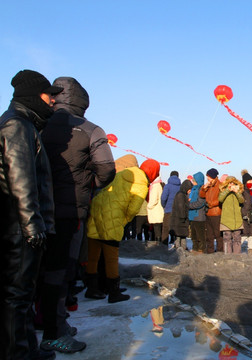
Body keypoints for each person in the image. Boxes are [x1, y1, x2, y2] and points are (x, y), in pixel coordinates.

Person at [40, 76, 116, 353]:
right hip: (69, 209)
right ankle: (54, 331)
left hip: (33, 210)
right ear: (83, 101)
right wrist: (87, 184)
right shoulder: (90, 129)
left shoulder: (37, 123)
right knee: (61, 271)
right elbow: (107, 169)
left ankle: (46, 321)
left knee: (37, 270)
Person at [0, 70, 61, 359]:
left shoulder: (22, 124)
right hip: (19, 226)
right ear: (34, 95)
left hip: (19, 224)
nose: (52, 102)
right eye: (49, 96)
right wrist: (32, 225)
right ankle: (17, 353)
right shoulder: (17, 125)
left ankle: (26, 348)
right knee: (17, 296)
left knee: (23, 295)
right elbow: (20, 178)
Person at [85, 159, 160, 303]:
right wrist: (122, 221)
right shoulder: (142, 183)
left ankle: (92, 289)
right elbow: (133, 209)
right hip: (112, 216)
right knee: (111, 257)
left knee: (93, 254)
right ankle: (114, 292)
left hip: (97, 208)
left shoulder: (125, 173)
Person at [218, 176, 244, 254]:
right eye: (230, 183)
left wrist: (237, 192)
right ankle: (227, 256)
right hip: (226, 221)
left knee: (237, 240)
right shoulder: (223, 191)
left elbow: (241, 200)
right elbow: (220, 199)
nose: (232, 184)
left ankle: (237, 256)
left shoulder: (238, 192)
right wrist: (227, 190)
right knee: (227, 240)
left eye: (233, 183)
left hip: (237, 220)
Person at [200, 168, 223, 253]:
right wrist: (204, 188)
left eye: (208, 177)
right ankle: (210, 250)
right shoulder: (208, 185)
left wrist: (211, 204)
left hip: (216, 212)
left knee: (218, 234)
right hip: (208, 213)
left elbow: (221, 199)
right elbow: (201, 195)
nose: (207, 178)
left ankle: (220, 251)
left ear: (213, 177)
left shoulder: (220, 185)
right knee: (209, 234)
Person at [170, 180, 194, 251]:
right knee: (180, 236)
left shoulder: (181, 194)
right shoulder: (181, 195)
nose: (190, 191)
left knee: (180, 235)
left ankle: (180, 249)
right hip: (180, 220)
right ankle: (180, 250)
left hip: (178, 219)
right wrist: (183, 217)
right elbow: (181, 207)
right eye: (189, 189)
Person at [161, 170, 181, 246]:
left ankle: (164, 245)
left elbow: (163, 198)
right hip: (177, 211)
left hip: (168, 209)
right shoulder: (180, 186)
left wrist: (164, 206)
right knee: (176, 228)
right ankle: (176, 244)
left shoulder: (167, 186)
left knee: (166, 228)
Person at [240, 170, 252, 255]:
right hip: (245, 215)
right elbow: (242, 204)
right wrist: (244, 214)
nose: (251, 182)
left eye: (251, 181)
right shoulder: (242, 191)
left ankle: (251, 248)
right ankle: (237, 246)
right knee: (244, 233)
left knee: (251, 233)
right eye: (249, 181)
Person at [188, 172, 207, 254]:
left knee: (200, 235)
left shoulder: (201, 190)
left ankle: (201, 249)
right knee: (194, 235)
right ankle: (195, 248)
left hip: (199, 215)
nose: (192, 181)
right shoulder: (193, 189)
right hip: (192, 215)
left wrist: (189, 205)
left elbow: (201, 202)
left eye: (194, 180)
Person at [147, 175, 165, 243]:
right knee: (158, 229)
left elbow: (153, 200)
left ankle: (158, 245)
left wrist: (148, 206)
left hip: (155, 211)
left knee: (156, 230)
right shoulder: (159, 185)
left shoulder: (155, 186)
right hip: (159, 211)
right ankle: (159, 243)